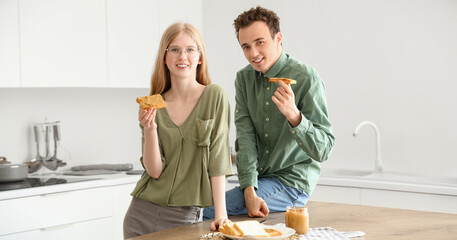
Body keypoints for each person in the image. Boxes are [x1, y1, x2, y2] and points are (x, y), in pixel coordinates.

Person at [203, 6, 335, 220]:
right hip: (259, 182)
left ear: (278, 38)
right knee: (203, 206)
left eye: (260, 42)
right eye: (245, 46)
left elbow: (324, 149)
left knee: (206, 212)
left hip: (293, 185)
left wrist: (294, 116)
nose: (253, 53)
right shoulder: (244, 79)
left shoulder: (306, 77)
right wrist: (248, 190)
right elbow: (245, 139)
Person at [123, 22, 233, 238]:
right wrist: (150, 129)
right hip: (140, 214)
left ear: (200, 57)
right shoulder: (151, 104)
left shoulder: (215, 96)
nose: (183, 56)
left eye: (190, 50)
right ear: (165, 58)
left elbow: (218, 158)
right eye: (174, 50)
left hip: (183, 217)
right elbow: (154, 171)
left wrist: (221, 213)